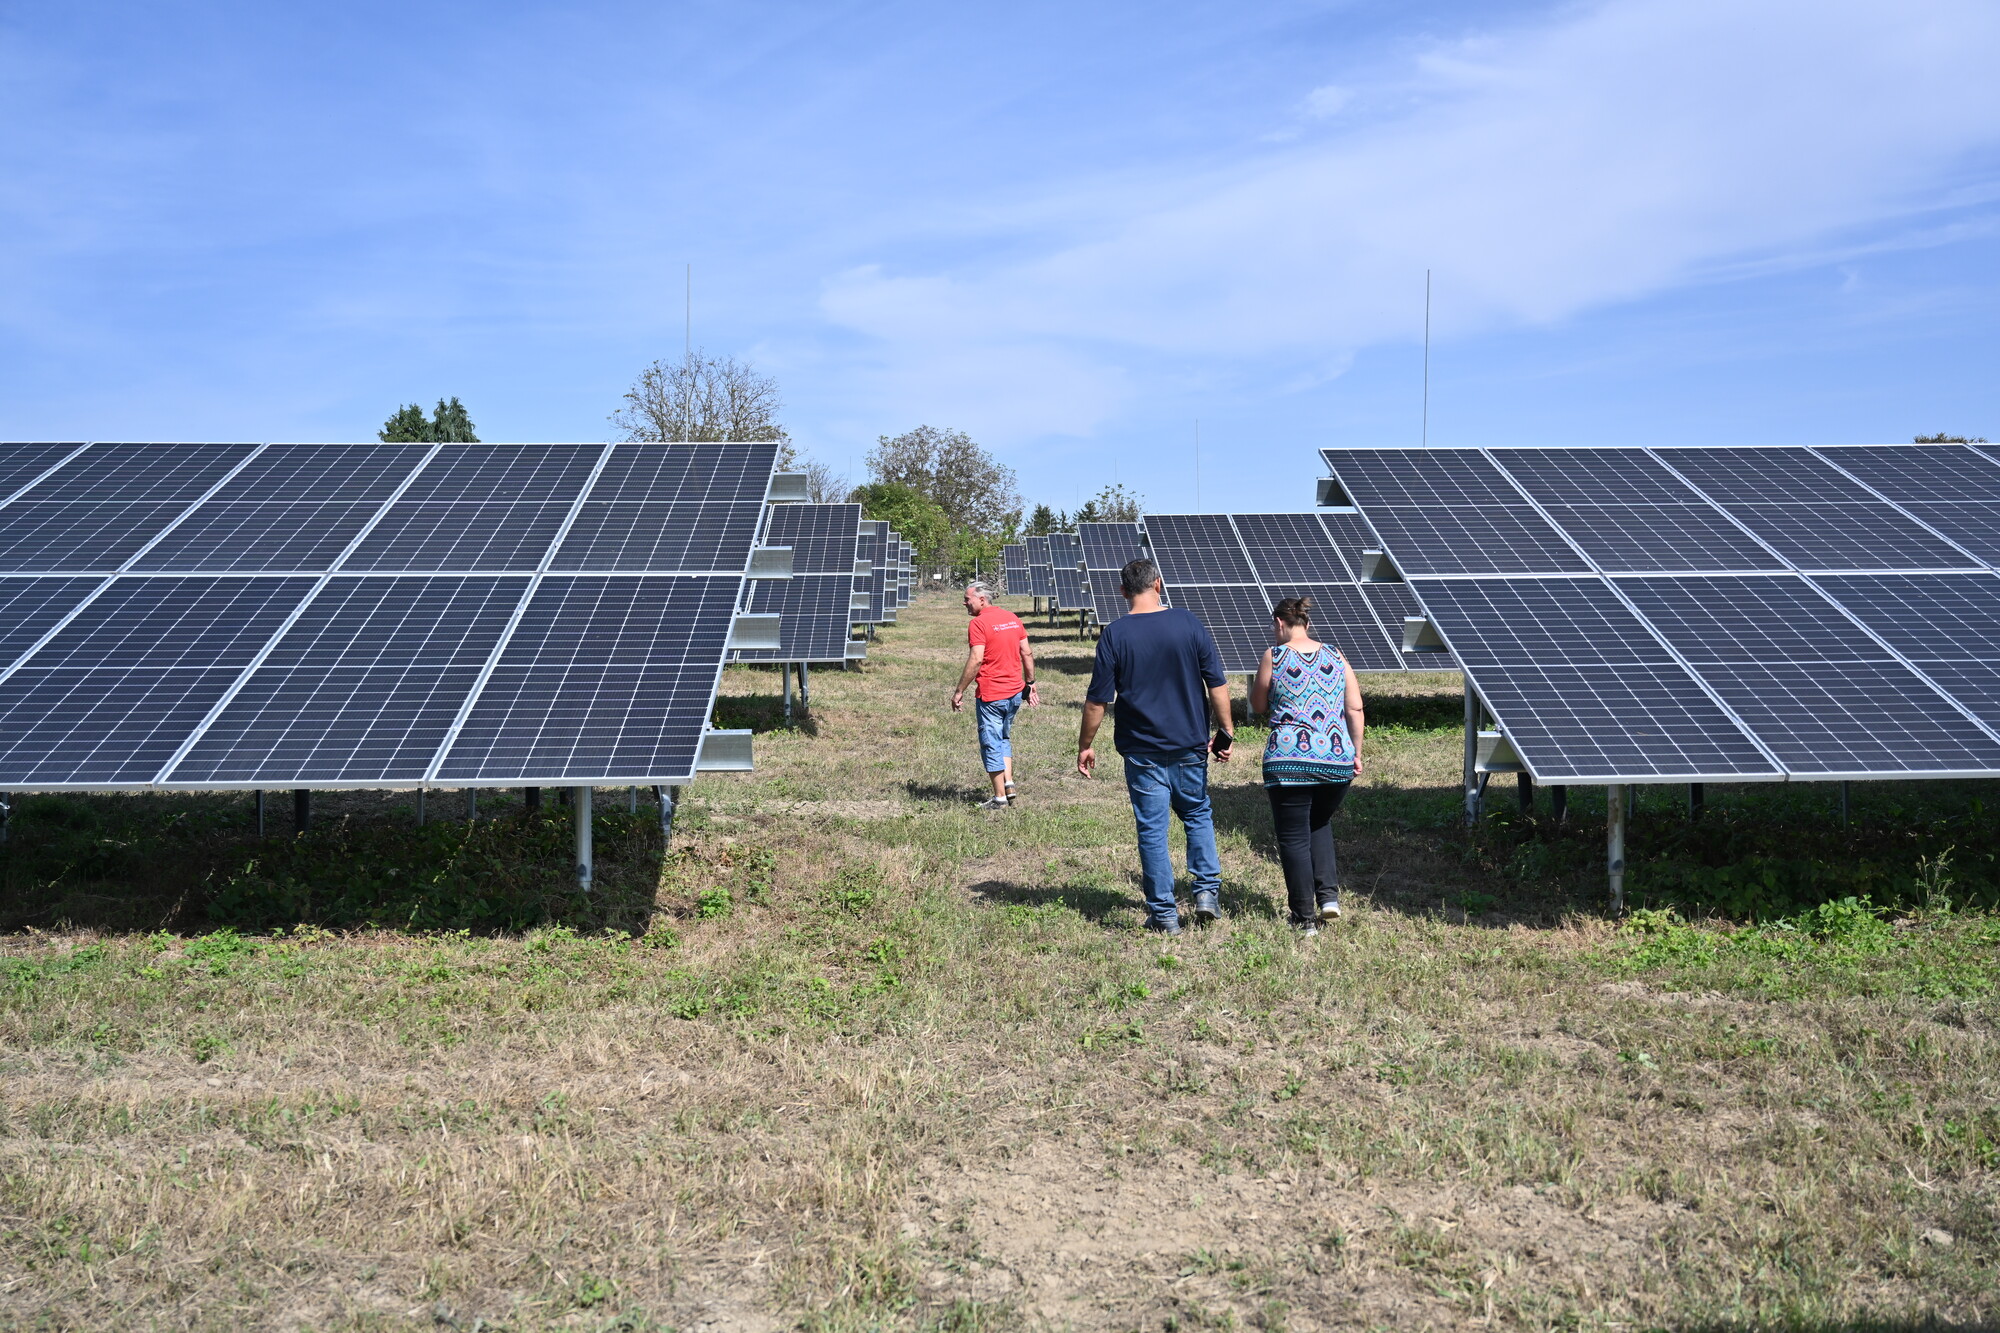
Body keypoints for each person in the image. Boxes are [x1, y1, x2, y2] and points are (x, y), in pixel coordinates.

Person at [1076, 558, 1233, 934]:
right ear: (1158, 584)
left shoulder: (1114, 634)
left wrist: (1085, 744)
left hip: (1142, 750)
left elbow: (1098, 700)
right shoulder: (1188, 623)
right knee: (1196, 814)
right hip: (1190, 745)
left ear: (1123, 591)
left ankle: (1164, 915)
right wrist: (1225, 731)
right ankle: (1206, 894)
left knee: (1152, 830)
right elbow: (1217, 683)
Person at [1248, 595, 1364, 936]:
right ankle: (1329, 898)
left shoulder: (1275, 655)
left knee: (1294, 837)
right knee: (1320, 822)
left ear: (1280, 624)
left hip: (1289, 762)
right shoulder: (1336, 655)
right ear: (1307, 624)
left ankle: (1304, 918)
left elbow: (1257, 705)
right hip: (1336, 761)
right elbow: (1355, 709)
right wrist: (1355, 752)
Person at [951, 580, 1038, 810]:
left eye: (967, 599)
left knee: (991, 743)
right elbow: (1026, 652)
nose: (964, 603)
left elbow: (977, 658)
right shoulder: (1013, 618)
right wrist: (1030, 683)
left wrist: (960, 690)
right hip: (1015, 693)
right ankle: (1008, 783)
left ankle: (999, 798)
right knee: (1003, 738)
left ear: (981, 599)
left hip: (991, 695)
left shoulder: (978, 624)